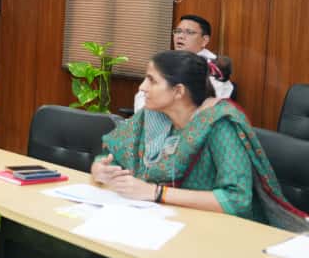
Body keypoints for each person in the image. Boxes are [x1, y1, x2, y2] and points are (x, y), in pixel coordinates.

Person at [93, 50, 308, 232]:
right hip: (159, 222)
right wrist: (101, 169)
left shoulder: (219, 124)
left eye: (152, 80)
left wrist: (156, 193)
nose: (142, 87)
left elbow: (236, 199)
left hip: (218, 232)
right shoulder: (151, 117)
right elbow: (111, 154)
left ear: (178, 91)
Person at [133, 14, 233, 111]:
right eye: (177, 31)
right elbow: (142, 96)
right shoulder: (164, 61)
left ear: (204, 40)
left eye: (189, 32)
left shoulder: (214, 67)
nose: (180, 36)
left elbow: (213, 105)